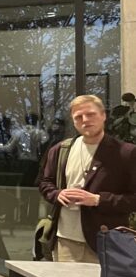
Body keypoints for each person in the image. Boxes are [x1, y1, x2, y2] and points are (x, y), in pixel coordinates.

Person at [38, 94, 136, 263]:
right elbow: (45, 182)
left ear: (103, 115)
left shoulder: (126, 153)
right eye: (78, 117)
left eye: (90, 114)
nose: (85, 120)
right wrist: (57, 194)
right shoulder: (61, 150)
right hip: (64, 240)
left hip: (107, 242)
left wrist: (98, 200)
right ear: (73, 121)